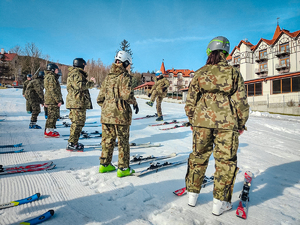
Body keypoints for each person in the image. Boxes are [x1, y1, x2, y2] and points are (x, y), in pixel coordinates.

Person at [184, 36, 250, 215]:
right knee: (225, 161)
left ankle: (192, 195)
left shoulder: (199, 73)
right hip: (227, 124)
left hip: (201, 123)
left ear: (209, 51)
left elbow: (190, 101)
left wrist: (193, 120)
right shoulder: (233, 73)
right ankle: (219, 203)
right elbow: (241, 102)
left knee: (198, 156)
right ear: (226, 53)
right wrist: (241, 123)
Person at [97, 50, 139, 177]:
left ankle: (104, 165)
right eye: (129, 64)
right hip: (121, 115)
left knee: (107, 140)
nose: (129, 67)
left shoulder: (108, 77)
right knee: (123, 141)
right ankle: (123, 168)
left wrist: (108, 108)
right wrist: (134, 103)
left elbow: (100, 98)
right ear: (125, 63)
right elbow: (127, 95)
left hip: (106, 115)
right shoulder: (125, 77)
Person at [66, 58, 95, 151]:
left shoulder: (77, 73)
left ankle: (73, 142)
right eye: (85, 65)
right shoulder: (76, 73)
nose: (85, 67)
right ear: (82, 65)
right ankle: (71, 143)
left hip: (78, 103)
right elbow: (79, 86)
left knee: (78, 123)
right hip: (77, 103)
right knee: (77, 123)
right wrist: (90, 83)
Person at [44, 63, 64, 138]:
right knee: (52, 116)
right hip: (52, 100)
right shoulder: (51, 77)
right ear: (52, 70)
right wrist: (58, 100)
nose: (57, 71)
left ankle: (49, 130)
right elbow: (52, 90)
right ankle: (49, 131)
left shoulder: (50, 77)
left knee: (53, 115)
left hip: (51, 99)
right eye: (56, 69)